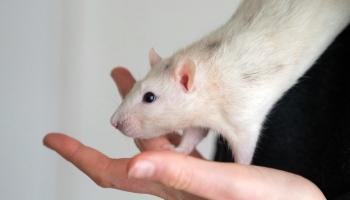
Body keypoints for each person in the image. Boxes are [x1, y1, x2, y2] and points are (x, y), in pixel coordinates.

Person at [43, 25, 349, 200]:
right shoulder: (206, 85)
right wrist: (185, 149)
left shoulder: (229, 92)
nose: (116, 121)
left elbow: (242, 127)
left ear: (187, 79)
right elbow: (203, 117)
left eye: (148, 97)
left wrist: (239, 173)